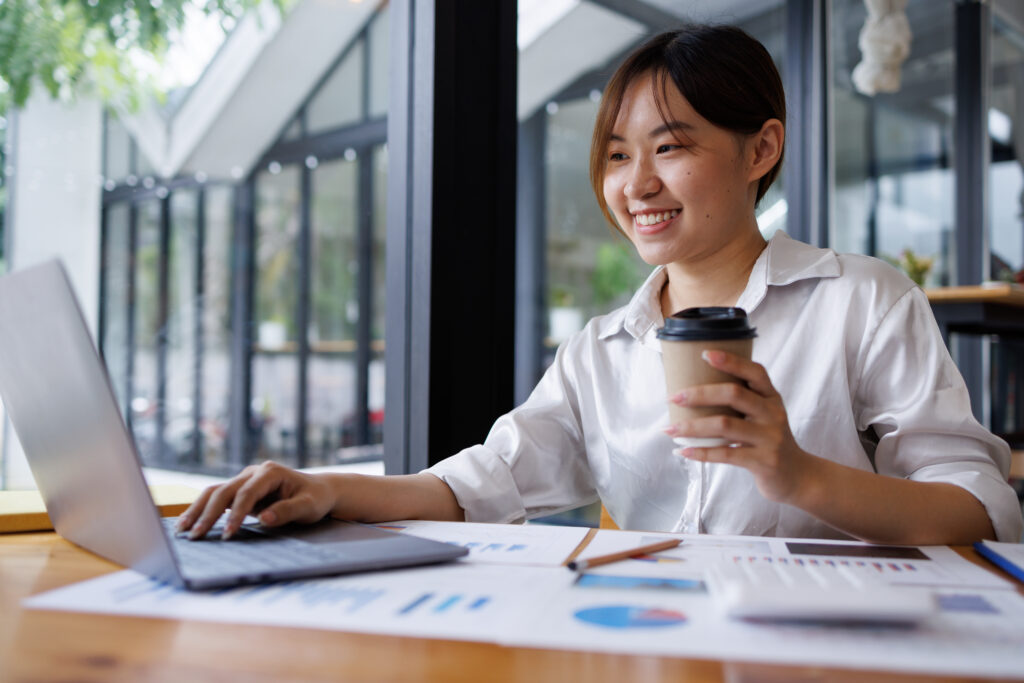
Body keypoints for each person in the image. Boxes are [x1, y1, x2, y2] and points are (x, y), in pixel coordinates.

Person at [178, 25, 1023, 545]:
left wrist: (796, 472)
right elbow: (488, 480)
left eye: (671, 145)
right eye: (618, 154)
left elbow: (986, 509)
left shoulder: (862, 301)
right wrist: (330, 487)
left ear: (760, 151)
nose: (636, 183)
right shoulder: (602, 348)